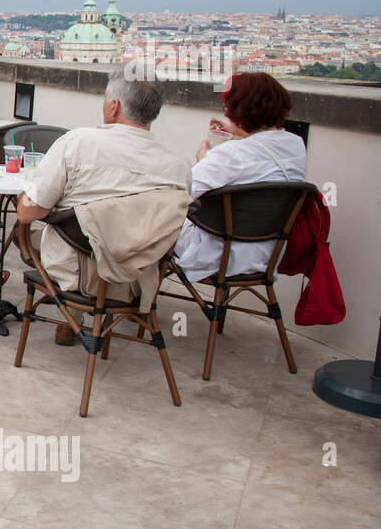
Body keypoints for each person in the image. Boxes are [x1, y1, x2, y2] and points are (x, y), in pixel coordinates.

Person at [16, 67, 192, 344]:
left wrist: (32, 190)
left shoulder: (78, 143)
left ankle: (72, 317)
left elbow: (28, 212)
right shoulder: (179, 163)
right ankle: (89, 318)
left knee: (24, 234)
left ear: (114, 106)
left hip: (78, 275)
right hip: (138, 279)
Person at [173, 72, 306, 279]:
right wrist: (240, 132)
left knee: (157, 219)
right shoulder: (296, 146)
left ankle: (138, 300)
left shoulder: (231, 154)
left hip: (219, 255)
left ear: (240, 112)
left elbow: (182, 192)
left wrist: (203, 159)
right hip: (267, 255)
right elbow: (260, 157)